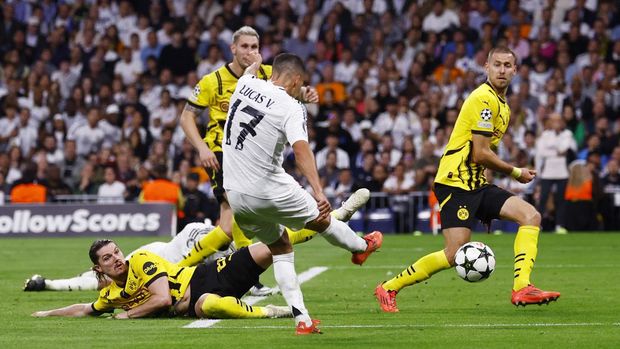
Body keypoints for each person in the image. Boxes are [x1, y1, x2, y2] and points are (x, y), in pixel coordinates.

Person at [374, 47, 560, 313]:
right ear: (486, 67)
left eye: (508, 65)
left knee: (530, 216)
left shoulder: (503, 106)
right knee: (453, 254)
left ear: (515, 70)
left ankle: (522, 288)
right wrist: (515, 172)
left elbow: (481, 155)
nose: (502, 70)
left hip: (475, 183)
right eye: (497, 64)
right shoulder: (483, 99)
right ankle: (389, 287)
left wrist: (485, 198)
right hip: (455, 182)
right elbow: (481, 153)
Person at [223, 52, 382, 335]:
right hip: (268, 187)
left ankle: (303, 320)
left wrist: (255, 60)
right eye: (302, 83)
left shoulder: (245, 83)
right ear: (297, 80)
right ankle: (361, 248)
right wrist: (319, 191)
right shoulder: (292, 107)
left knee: (281, 246)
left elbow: (250, 70)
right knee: (322, 219)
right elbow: (301, 150)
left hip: (235, 194)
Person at [177, 26, 320, 281]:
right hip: (221, 152)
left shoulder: (268, 75)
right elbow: (187, 116)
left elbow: (293, 95)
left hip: (254, 155)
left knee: (227, 227)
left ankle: (179, 269)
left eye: (255, 47)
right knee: (234, 210)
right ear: (233, 48)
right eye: (244, 47)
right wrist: (201, 147)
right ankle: (247, 276)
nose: (250, 52)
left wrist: (307, 95)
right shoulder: (213, 81)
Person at [24, 189, 369, 292]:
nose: (113, 261)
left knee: (268, 243)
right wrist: (47, 284)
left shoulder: (135, 267)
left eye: (112, 257)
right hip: (194, 255)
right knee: (271, 243)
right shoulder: (116, 280)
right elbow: (84, 287)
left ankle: (336, 217)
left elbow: (84, 285)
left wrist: (225, 200)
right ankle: (336, 218)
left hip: (193, 245)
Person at [31, 239, 291, 320]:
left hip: (206, 275)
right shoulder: (110, 296)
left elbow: (163, 299)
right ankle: (271, 311)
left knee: (272, 246)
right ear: (98, 268)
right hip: (196, 303)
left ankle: (326, 221)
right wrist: (47, 313)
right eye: (108, 258)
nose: (117, 259)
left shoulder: (142, 260)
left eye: (117, 252)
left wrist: (128, 315)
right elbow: (85, 309)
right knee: (210, 306)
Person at [535, 113, 576, 233]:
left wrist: (552, 147)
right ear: (550, 122)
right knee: (543, 199)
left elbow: (563, 148)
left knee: (561, 200)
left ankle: (559, 225)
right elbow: (541, 153)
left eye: (558, 120)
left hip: (562, 172)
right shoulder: (545, 134)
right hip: (547, 172)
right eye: (554, 121)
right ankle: (538, 225)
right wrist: (555, 151)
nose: (556, 123)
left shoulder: (567, 134)